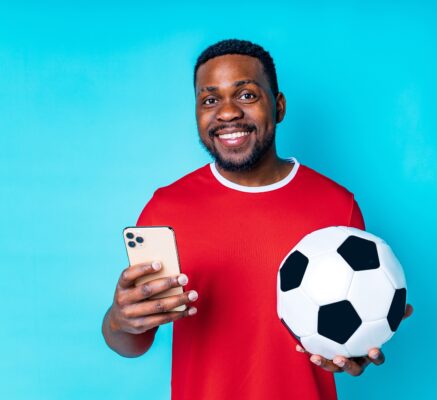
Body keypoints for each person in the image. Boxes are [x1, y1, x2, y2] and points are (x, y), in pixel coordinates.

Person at [102, 39, 413, 399]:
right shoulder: (165, 208)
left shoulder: (336, 205)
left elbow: (347, 339)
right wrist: (118, 319)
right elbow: (132, 343)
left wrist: (355, 350)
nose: (227, 112)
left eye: (246, 95)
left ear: (278, 106)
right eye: (209, 100)